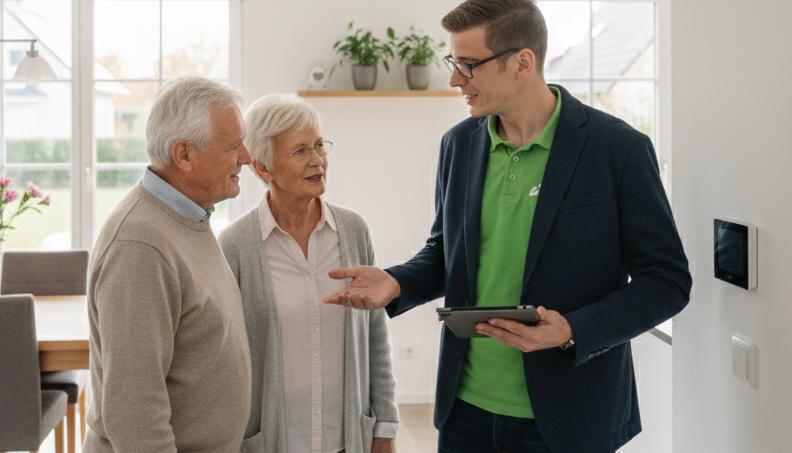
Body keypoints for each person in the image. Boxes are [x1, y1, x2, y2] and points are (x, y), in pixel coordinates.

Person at [324, 1, 692, 452]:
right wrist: (395, 282)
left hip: (570, 417)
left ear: (523, 62)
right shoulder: (458, 144)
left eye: (469, 65)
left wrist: (572, 329)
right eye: (453, 63)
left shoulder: (618, 149)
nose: (456, 78)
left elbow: (667, 281)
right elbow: (445, 254)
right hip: (465, 412)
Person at [219, 94, 398, 453]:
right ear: (263, 168)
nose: (317, 161)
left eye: (319, 146)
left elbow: (375, 336)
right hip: (271, 443)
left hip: (348, 438)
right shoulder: (235, 246)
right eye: (300, 151)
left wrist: (385, 428)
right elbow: (226, 362)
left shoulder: (353, 231)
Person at [84, 77, 253, 452]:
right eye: (233, 146)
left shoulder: (188, 216)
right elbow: (134, 411)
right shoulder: (140, 246)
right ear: (184, 155)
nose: (247, 157)